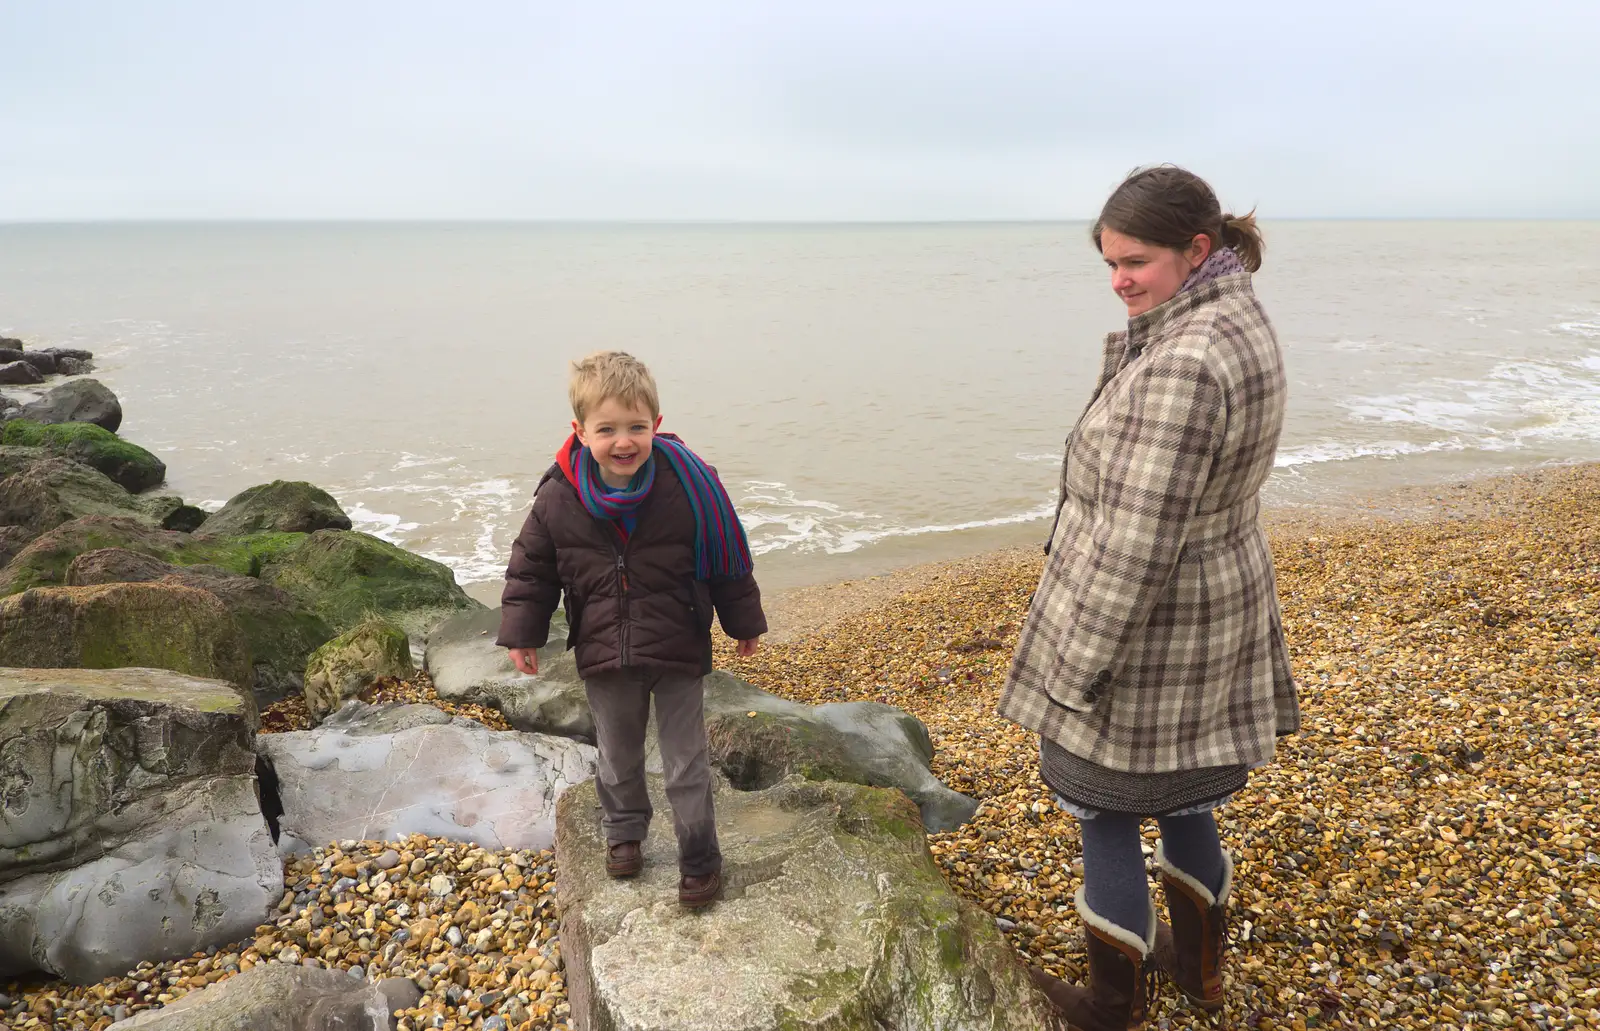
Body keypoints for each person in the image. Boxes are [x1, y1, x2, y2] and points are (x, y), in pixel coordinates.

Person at [999, 166, 1299, 1029]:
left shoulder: (1187, 361)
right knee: (1187, 796)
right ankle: (1200, 971)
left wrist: (1075, 668)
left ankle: (1110, 1003)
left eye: (1135, 261)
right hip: (1217, 604)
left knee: (1107, 813)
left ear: (1196, 249)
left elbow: (1134, 546)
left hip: (1152, 631)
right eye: (1109, 264)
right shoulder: (1236, 319)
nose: (1120, 280)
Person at [498, 350, 767, 908]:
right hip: (603, 649)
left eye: (637, 427)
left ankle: (699, 858)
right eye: (608, 429)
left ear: (657, 426)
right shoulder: (558, 496)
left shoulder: (691, 486)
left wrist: (743, 621)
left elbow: (729, 561)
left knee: (686, 763)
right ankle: (625, 833)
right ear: (580, 431)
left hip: (677, 646)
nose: (624, 441)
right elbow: (531, 570)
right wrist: (522, 633)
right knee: (617, 756)